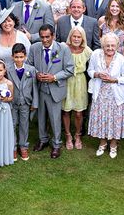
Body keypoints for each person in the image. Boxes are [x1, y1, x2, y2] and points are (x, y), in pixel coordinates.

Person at [28, 24, 74, 159]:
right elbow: (29, 66)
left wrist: (54, 77)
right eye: (42, 37)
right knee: (41, 117)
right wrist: (36, 74)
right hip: (40, 89)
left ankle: (56, 144)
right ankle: (43, 140)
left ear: (53, 36)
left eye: (47, 37)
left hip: (55, 89)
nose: (44, 40)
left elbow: (70, 69)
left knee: (55, 119)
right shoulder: (34, 48)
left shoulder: (63, 49)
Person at [87, 33, 124, 158]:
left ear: (117, 46)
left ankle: (113, 145)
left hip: (115, 96)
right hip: (100, 93)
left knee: (114, 119)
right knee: (102, 118)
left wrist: (114, 80)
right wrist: (97, 74)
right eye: (107, 46)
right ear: (103, 46)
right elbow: (89, 70)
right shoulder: (96, 54)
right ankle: (102, 143)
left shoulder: (121, 59)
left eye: (113, 45)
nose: (110, 48)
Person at [62, 26, 92, 150]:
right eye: (74, 36)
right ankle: (68, 135)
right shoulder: (64, 48)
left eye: (79, 37)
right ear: (70, 36)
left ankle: (78, 135)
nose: (76, 39)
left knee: (79, 113)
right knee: (66, 110)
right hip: (67, 81)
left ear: (82, 38)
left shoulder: (87, 51)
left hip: (80, 81)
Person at [7, 44, 38, 162]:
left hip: (26, 102)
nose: (19, 59)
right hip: (12, 102)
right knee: (13, 124)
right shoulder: (8, 70)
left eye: (21, 57)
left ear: (25, 56)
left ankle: (23, 146)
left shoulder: (31, 70)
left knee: (24, 125)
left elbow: (34, 87)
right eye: (16, 57)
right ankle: (13, 147)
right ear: (12, 57)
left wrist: (34, 103)